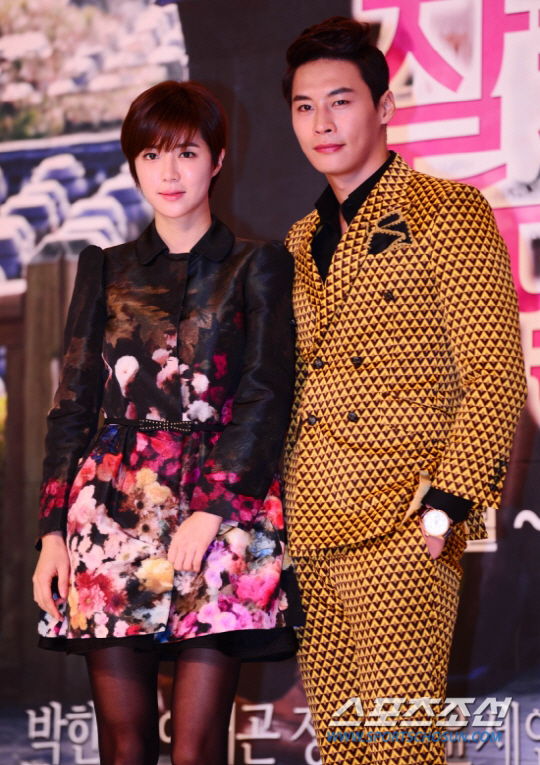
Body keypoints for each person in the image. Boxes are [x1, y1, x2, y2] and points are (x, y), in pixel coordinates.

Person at [281, 16, 527, 765]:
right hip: (310, 528)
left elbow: (494, 373)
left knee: (400, 749)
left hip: (402, 525)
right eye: (304, 107)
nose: (322, 123)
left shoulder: (448, 210)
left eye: (341, 101)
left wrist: (445, 506)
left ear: (384, 107)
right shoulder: (298, 240)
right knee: (345, 749)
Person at [32, 79, 300, 765]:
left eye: (186, 152)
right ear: (133, 165)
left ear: (218, 159)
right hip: (111, 509)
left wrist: (213, 510)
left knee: (196, 748)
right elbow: (73, 404)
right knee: (124, 746)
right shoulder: (104, 267)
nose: (169, 172)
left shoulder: (258, 263)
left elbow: (265, 393)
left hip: (223, 512)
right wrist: (51, 533)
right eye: (151, 155)